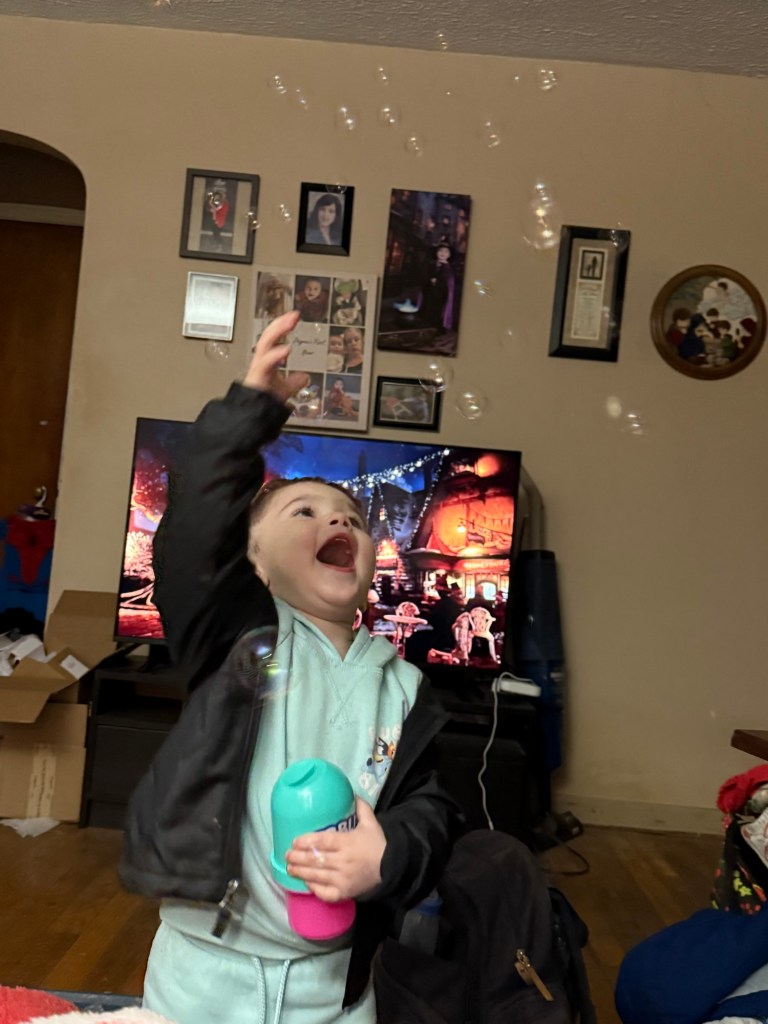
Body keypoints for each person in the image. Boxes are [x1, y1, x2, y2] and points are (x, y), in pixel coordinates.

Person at [119, 310, 462, 1024]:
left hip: (333, 982)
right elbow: (195, 536)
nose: (338, 523)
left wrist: (390, 854)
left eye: (353, 520)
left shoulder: (408, 689)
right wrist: (250, 413)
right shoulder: (238, 637)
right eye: (304, 512)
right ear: (252, 565)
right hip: (204, 968)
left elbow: (431, 811)